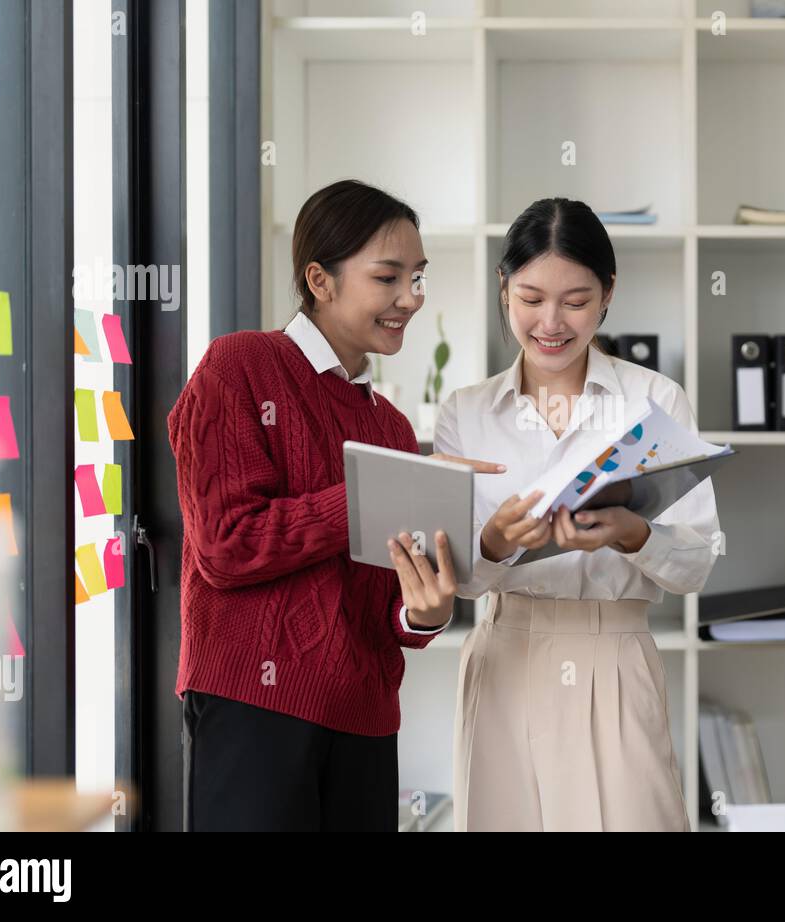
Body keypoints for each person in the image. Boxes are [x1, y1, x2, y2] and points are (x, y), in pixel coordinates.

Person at [168, 179, 495, 830]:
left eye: (418, 278)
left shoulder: (393, 429)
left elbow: (384, 611)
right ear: (320, 280)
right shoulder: (239, 367)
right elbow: (227, 546)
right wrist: (376, 495)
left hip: (365, 721)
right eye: (388, 277)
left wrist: (424, 614)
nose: (411, 298)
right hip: (254, 708)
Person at [432, 197, 721, 831]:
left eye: (576, 300)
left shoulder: (654, 400)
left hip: (614, 651)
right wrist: (492, 540)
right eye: (531, 298)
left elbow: (698, 561)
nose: (551, 322)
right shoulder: (466, 411)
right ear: (504, 288)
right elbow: (456, 575)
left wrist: (633, 533)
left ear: (609, 293)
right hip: (503, 652)